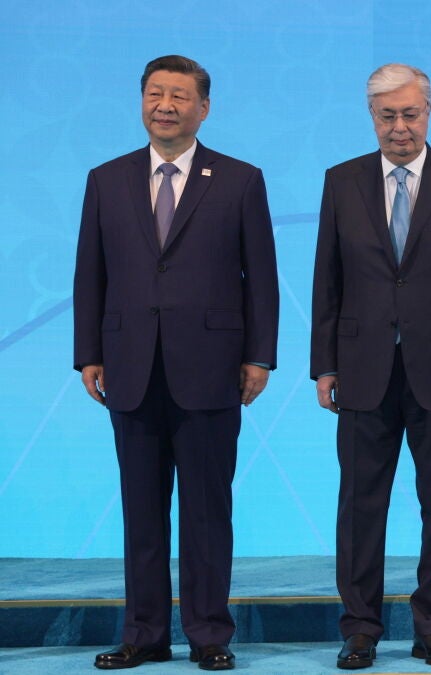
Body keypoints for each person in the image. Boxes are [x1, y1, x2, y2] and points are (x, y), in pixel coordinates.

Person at [73, 54, 279, 671]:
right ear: (142, 101)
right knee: (141, 510)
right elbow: (90, 274)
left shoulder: (240, 179)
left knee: (207, 511)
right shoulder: (106, 179)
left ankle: (209, 634)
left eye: (179, 96)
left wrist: (259, 356)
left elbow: (261, 278)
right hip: (129, 366)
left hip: (213, 367)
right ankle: (143, 634)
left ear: (203, 108)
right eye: (155, 94)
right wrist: (88, 353)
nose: (165, 105)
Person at [310, 63, 431, 670]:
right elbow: (327, 278)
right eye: (387, 115)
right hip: (361, 367)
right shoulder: (341, 181)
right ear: (371, 117)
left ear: (428, 112)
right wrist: (324, 364)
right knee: (359, 507)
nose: (399, 126)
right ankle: (360, 629)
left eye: (410, 114)